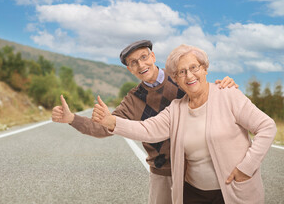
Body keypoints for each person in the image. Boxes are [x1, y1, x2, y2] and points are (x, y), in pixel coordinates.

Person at [52, 40, 237, 204]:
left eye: (144, 57)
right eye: (133, 62)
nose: (141, 65)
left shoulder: (181, 77)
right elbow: (103, 127)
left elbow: (206, 93)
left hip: (196, 167)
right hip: (163, 172)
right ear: (129, 69)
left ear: (153, 56)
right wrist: (71, 119)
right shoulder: (133, 100)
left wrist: (224, 85)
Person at [92, 44, 277, 204]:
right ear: (177, 80)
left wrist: (247, 167)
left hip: (233, 191)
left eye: (194, 67)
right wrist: (112, 122)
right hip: (193, 194)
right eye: (181, 72)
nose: (189, 76)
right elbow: (147, 129)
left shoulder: (227, 95)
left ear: (205, 69)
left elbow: (267, 127)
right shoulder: (176, 109)